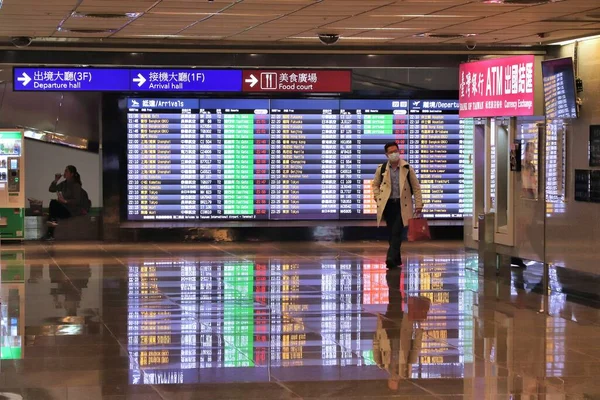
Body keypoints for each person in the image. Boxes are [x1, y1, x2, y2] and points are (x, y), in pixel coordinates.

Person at [372, 142, 423, 269]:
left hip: (402, 204)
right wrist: (378, 197)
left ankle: (390, 258)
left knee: (396, 231)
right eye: (391, 152)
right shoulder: (382, 169)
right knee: (392, 232)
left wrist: (418, 204)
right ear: (386, 154)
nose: (394, 154)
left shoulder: (407, 168)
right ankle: (397, 259)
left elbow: (416, 188)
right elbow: (375, 185)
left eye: (396, 151)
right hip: (388, 205)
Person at [43, 165, 84, 241]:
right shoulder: (64, 184)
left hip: (71, 210)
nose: (64, 173)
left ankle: (50, 229)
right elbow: (51, 189)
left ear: (71, 174)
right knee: (53, 205)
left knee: (53, 205)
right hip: (64, 207)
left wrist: (65, 201)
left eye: (66, 171)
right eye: (64, 171)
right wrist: (56, 180)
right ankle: (51, 228)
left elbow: (77, 201)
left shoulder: (76, 185)